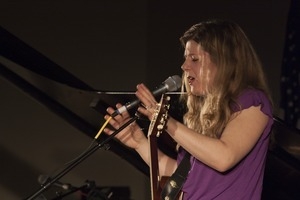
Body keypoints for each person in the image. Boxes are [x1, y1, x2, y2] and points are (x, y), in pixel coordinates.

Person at [103, 19, 274, 200]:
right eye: (185, 58)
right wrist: (139, 143)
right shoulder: (203, 114)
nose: (184, 66)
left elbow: (224, 158)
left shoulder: (253, 102)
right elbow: (182, 176)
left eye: (194, 59)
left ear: (224, 62)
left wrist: (165, 121)